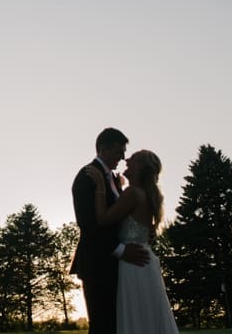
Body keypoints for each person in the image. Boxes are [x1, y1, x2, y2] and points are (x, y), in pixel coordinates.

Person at [84, 149, 179, 334]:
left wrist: (100, 186)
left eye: (132, 159)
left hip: (133, 263)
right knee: (148, 317)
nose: (126, 159)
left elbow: (103, 219)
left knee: (137, 316)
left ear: (141, 168)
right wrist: (118, 187)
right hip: (144, 260)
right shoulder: (144, 194)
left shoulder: (133, 193)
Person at [70, 128, 149, 334]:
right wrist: (120, 250)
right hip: (97, 263)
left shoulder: (114, 179)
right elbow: (88, 225)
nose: (122, 158)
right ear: (103, 149)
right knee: (103, 324)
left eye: (124, 152)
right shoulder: (87, 176)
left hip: (119, 266)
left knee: (119, 324)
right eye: (118, 152)